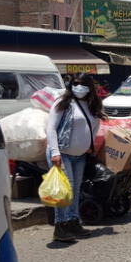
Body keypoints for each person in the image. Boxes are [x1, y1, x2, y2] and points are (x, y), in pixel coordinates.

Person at [46, 73, 103, 242]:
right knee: (65, 190)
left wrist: (89, 147)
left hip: (80, 156)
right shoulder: (63, 103)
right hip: (62, 154)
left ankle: (72, 222)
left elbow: (94, 127)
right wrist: (55, 152)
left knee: (76, 190)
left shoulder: (92, 105)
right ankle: (60, 226)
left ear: (89, 86)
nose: (79, 87)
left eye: (83, 83)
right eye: (75, 83)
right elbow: (51, 128)